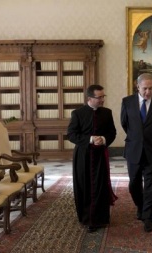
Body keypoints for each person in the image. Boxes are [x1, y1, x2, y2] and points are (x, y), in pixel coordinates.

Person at [120, 73, 152, 232]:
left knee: (150, 183)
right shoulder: (127, 102)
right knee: (134, 182)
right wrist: (137, 137)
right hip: (133, 149)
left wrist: (151, 137)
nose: (148, 92)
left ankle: (148, 217)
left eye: (151, 88)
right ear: (138, 86)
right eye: (145, 88)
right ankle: (140, 207)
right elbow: (124, 123)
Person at [67, 84, 117, 233]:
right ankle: (87, 219)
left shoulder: (107, 113)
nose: (102, 100)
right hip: (83, 156)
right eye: (99, 97)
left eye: (103, 96)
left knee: (100, 186)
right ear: (90, 98)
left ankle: (101, 218)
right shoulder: (77, 113)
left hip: (100, 156)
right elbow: (71, 134)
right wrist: (90, 140)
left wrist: (103, 138)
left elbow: (112, 132)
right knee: (85, 186)